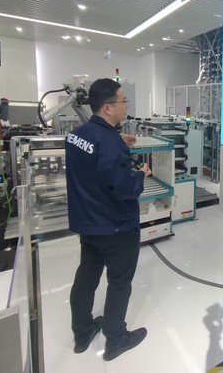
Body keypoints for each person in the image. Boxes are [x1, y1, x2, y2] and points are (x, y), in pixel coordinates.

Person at [67, 78, 151, 361]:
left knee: (87, 276)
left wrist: (117, 141)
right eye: (123, 100)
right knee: (119, 281)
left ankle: (82, 333)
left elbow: (95, 158)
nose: (126, 105)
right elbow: (125, 188)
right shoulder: (110, 143)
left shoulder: (76, 135)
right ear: (108, 107)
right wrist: (141, 175)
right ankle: (116, 339)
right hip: (116, 226)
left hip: (88, 223)